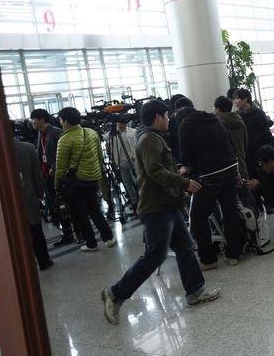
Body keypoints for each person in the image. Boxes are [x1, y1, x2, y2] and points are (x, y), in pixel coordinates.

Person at [101, 100, 220, 325]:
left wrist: (177, 178)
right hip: (156, 208)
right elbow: (154, 171)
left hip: (166, 204)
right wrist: (183, 182)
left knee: (185, 247)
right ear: (157, 117)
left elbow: (158, 169)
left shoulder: (151, 138)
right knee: (155, 255)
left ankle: (195, 291)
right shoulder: (149, 140)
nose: (169, 119)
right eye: (166, 116)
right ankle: (115, 294)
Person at [177, 106, 243, 268]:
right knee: (230, 212)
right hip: (231, 168)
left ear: (180, 117)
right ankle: (233, 255)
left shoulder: (185, 125)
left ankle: (208, 259)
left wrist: (185, 168)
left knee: (198, 217)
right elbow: (231, 144)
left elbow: (186, 158)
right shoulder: (216, 118)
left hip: (209, 176)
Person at [54, 107, 116, 252]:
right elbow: (100, 156)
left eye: (61, 119)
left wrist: (57, 185)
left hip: (76, 182)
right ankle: (108, 237)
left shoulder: (65, 139)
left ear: (65, 121)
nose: (60, 122)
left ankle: (91, 243)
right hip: (92, 179)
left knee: (80, 214)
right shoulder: (92, 133)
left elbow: (61, 168)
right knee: (95, 209)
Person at [11, 122, 53, 270]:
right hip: (29, 195)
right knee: (36, 230)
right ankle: (44, 261)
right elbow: (37, 175)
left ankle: (22, 267)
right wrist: (40, 194)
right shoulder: (28, 148)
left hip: (7, 201)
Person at [30, 108, 74, 246]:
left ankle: (72, 232)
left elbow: (63, 154)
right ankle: (66, 232)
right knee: (55, 206)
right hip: (45, 176)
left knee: (64, 204)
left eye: (34, 119)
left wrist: (55, 168)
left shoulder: (56, 133)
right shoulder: (39, 134)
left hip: (57, 175)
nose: (32, 122)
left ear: (42, 119)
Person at [234, 88, 274, 214]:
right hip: (246, 152)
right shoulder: (238, 115)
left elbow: (265, 132)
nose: (236, 101)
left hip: (259, 150)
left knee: (263, 176)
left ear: (246, 99)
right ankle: (257, 204)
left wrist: (266, 149)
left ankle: (269, 203)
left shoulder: (258, 113)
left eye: (238, 99)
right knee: (250, 177)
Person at [214, 96, 248, 180]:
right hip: (241, 162)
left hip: (227, 167)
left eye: (214, 107)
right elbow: (246, 142)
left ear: (218, 109)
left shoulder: (217, 124)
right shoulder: (239, 119)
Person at [108, 120, 138, 210]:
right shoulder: (113, 134)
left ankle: (143, 199)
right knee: (127, 184)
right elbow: (103, 137)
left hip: (133, 160)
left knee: (138, 181)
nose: (120, 124)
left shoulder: (133, 132)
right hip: (121, 163)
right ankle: (134, 202)